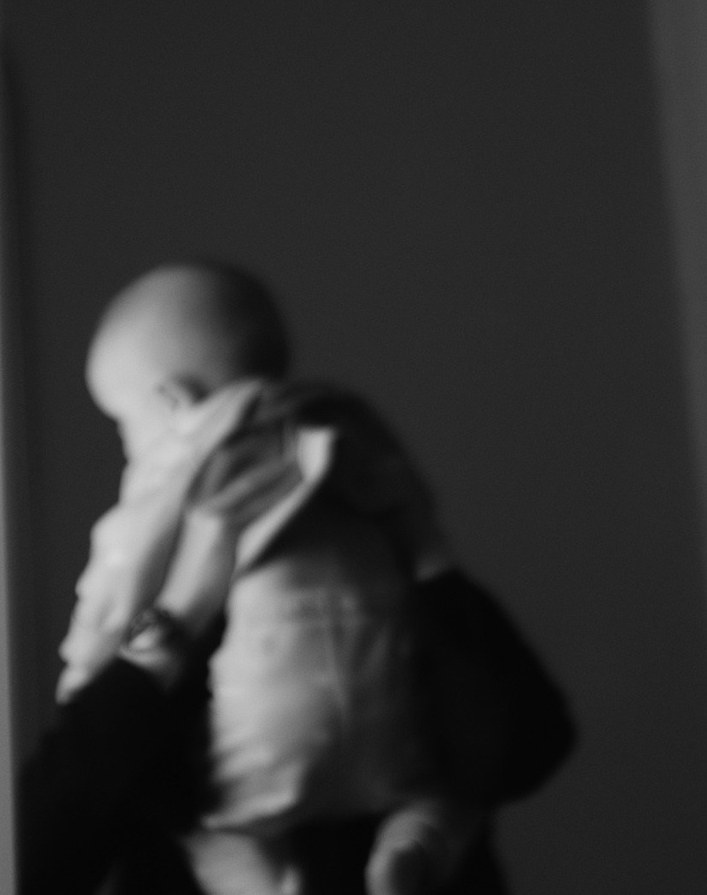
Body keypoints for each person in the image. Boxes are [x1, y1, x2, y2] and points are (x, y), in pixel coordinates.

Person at [33, 263, 574, 895]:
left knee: (217, 827)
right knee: (436, 803)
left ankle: (277, 869)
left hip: (259, 812)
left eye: (123, 424)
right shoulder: (345, 452)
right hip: (381, 786)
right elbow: (45, 845)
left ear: (171, 402)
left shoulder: (169, 493)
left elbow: (522, 746)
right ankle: (416, 838)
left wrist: (426, 554)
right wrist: (185, 603)